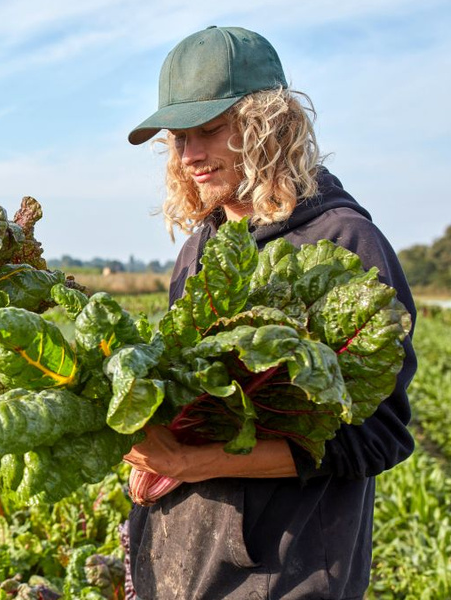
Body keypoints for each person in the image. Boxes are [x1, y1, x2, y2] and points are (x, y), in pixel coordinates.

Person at [121, 27, 416, 598]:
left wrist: (193, 461)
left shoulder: (345, 242)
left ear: (268, 126)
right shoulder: (202, 244)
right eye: (179, 137)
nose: (190, 157)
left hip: (286, 573)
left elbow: (378, 436)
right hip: (180, 562)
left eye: (209, 130)